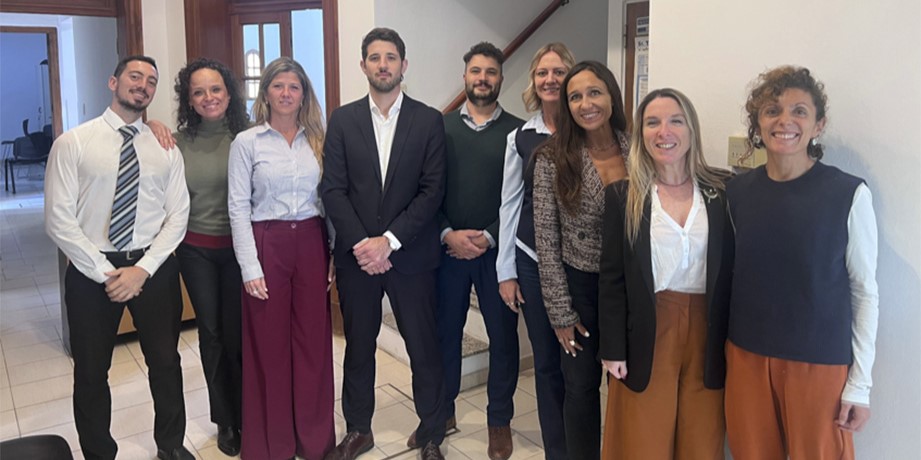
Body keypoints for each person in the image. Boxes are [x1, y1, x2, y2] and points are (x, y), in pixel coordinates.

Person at [724, 66, 879, 460]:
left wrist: (860, 384)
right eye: (772, 110)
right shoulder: (737, 192)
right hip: (747, 356)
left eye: (799, 111)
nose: (785, 121)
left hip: (819, 363)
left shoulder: (847, 194)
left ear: (818, 124)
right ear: (758, 123)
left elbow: (864, 291)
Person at [44, 55, 193, 460]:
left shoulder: (165, 147)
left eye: (151, 81)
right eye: (135, 76)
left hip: (153, 267)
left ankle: (171, 445)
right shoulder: (73, 143)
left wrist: (142, 269)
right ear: (113, 82)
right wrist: (107, 273)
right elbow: (58, 219)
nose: (143, 85)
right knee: (91, 371)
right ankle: (98, 453)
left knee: (166, 362)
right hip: (92, 269)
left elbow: (178, 215)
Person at [320, 27, 447, 460]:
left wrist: (388, 242)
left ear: (403, 65)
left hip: (411, 255)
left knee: (423, 347)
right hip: (358, 259)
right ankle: (359, 429)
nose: (383, 65)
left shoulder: (428, 120)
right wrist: (363, 244)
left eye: (390, 57)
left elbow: (432, 190)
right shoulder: (343, 119)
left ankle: (432, 432)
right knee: (358, 347)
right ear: (363, 66)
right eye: (374, 57)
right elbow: (333, 189)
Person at [598, 88, 733, 459]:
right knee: (644, 440)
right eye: (652, 122)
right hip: (648, 328)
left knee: (701, 441)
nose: (664, 132)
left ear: (691, 130)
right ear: (641, 133)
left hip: (709, 332)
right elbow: (611, 279)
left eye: (676, 121)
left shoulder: (723, 191)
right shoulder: (624, 196)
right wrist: (612, 349)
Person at [227, 56, 334, 460]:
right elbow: (238, 207)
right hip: (266, 243)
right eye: (278, 86)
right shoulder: (247, 143)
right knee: (269, 346)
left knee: (313, 344)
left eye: (294, 86)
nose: (286, 93)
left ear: (304, 94)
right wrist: (249, 267)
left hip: (311, 241)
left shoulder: (319, 140)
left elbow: (330, 200)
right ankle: (273, 444)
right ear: (266, 93)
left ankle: (314, 439)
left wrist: (333, 253)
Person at [430, 41, 523, 460]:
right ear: (464, 76)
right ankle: (443, 412)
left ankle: (499, 421)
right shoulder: (440, 127)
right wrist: (446, 233)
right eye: (476, 71)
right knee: (444, 335)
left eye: (491, 72)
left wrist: (489, 236)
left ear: (501, 78)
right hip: (448, 253)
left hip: (498, 256)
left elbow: (523, 198)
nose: (482, 78)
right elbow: (426, 189)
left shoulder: (519, 133)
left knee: (503, 339)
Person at [532, 60, 629, 460]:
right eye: (575, 97)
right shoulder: (552, 158)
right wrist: (560, 313)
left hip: (630, 287)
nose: (586, 104)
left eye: (594, 93)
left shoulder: (638, 149)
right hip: (580, 288)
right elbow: (546, 241)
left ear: (611, 97)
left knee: (627, 387)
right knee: (580, 387)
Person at [496, 42, 575, 460]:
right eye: (543, 72)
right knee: (546, 363)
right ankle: (556, 451)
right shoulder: (520, 137)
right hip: (531, 260)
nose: (550, 79)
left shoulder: (589, 131)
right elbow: (510, 204)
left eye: (558, 71)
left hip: (579, 264)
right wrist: (505, 271)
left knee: (577, 364)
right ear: (533, 80)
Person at [172, 58, 249, 457]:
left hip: (241, 250)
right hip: (196, 251)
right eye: (198, 92)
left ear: (229, 93)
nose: (208, 97)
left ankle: (248, 411)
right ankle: (226, 420)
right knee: (212, 335)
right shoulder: (176, 142)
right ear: (189, 100)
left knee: (238, 334)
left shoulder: (249, 137)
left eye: (215, 89)